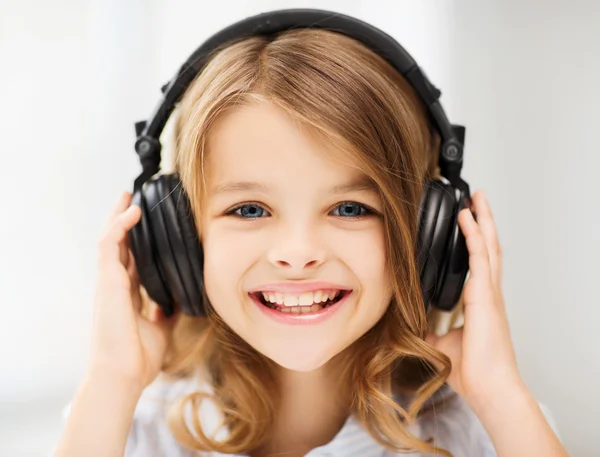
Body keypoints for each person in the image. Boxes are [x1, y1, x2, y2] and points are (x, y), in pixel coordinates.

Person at [54, 10, 568, 457]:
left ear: (427, 236)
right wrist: (112, 380)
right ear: (178, 239)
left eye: (349, 207)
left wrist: (500, 393)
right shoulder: (128, 425)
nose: (298, 254)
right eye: (250, 209)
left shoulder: (488, 430)